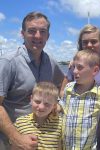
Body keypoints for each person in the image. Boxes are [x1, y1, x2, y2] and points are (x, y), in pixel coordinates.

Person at [0, 11, 64, 150]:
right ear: (22, 33)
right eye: (32, 31)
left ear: (48, 36)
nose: (37, 36)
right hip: (11, 142)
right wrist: (16, 137)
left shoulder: (51, 62)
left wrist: (58, 103)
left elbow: (63, 81)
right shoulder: (8, 62)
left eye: (42, 31)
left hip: (45, 140)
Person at [60, 24, 100, 149]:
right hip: (76, 132)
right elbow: (63, 91)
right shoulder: (76, 66)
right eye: (85, 42)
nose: (89, 45)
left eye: (94, 41)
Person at [11, 82, 62, 150]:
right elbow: (13, 146)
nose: (41, 107)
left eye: (47, 104)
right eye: (37, 102)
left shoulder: (60, 124)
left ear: (54, 106)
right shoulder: (20, 122)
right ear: (31, 99)